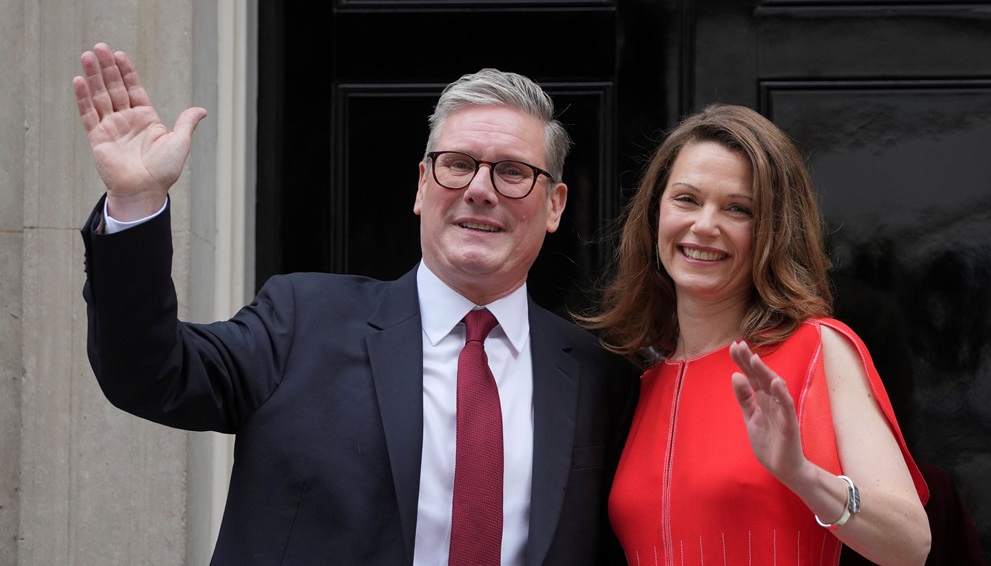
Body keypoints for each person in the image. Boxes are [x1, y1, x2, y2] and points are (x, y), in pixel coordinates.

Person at [72, 42, 636, 565]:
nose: (480, 189)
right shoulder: (302, 320)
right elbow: (148, 374)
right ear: (422, 186)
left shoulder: (596, 377)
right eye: (458, 164)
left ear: (555, 204)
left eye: (513, 171)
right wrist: (137, 201)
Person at [579, 104, 931, 565]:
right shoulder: (639, 386)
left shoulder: (816, 349)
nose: (704, 226)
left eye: (738, 209)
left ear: (773, 230)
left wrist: (803, 476)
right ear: (654, 213)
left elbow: (910, 544)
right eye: (686, 199)